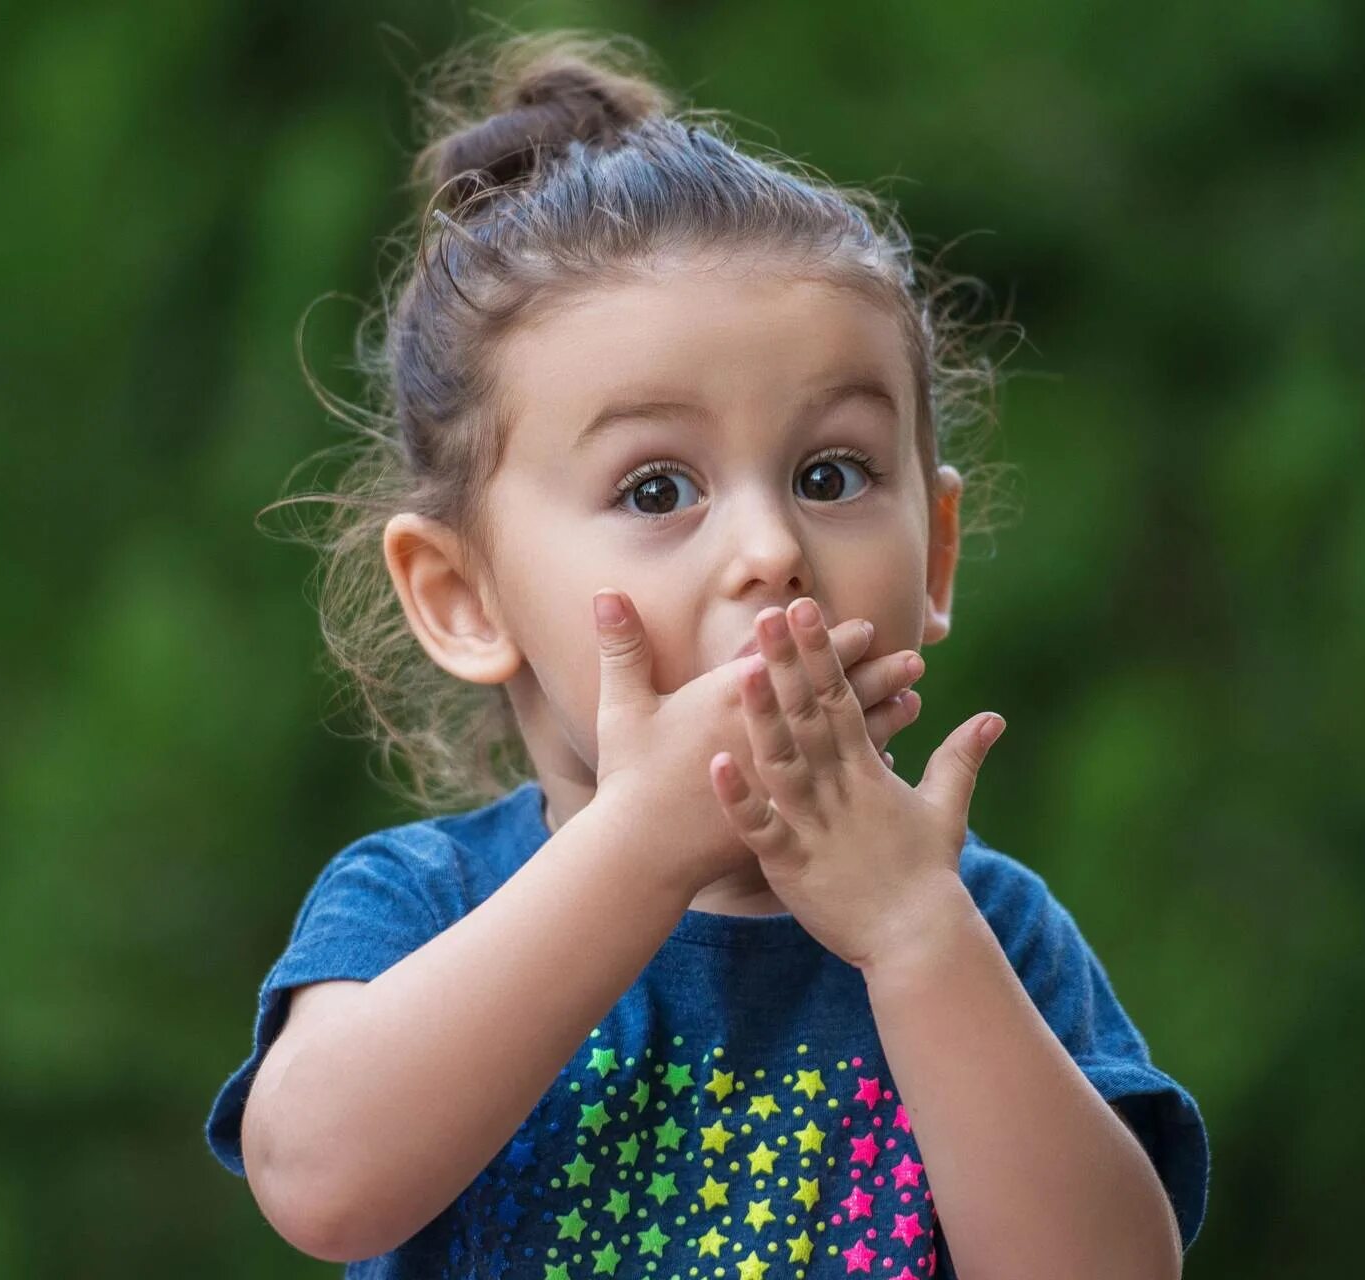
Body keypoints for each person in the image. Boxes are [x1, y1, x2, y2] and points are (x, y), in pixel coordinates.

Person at [204, 27, 1209, 1279]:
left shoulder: (979, 924)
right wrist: (644, 839)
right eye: (657, 485)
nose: (769, 548)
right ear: (463, 596)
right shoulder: (422, 904)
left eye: (830, 472)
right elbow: (319, 1182)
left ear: (935, 552)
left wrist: (912, 935)